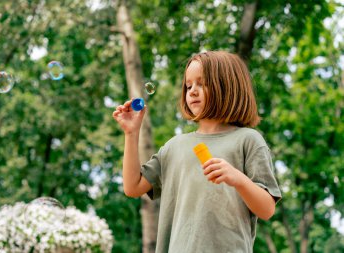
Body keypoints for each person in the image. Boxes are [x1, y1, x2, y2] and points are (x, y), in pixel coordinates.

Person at [112, 50, 282, 253]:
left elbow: (267, 209)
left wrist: (238, 178)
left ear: (228, 86)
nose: (192, 91)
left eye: (202, 83)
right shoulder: (174, 147)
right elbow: (133, 187)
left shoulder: (248, 140)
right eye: (188, 85)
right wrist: (132, 134)